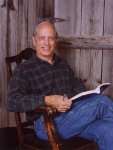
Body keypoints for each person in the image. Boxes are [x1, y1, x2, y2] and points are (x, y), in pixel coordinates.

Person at [7, 19, 113, 150]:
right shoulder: (25, 69)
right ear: (34, 41)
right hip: (46, 124)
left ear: (55, 41)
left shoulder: (62, 64)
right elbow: (12, 101)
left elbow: (78, 87)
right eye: (42, 38)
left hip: (74, 117)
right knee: (102, 102)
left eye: (51, 38)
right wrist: (48, 100)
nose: (46, 42)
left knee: (108, 130)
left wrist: (69, 99)